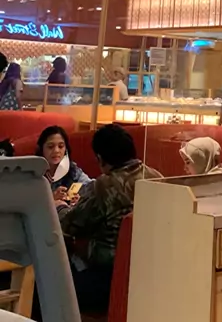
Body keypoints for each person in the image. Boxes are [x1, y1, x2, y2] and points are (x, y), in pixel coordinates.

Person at [55, 124, 162, 316]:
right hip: (149, 276)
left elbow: (70, 225)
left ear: (100, 158)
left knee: (46, 285)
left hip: (107, 279)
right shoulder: (156, 178)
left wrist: (59, 206)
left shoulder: (104, 186)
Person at [36, 126, 90, 201]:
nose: (56, 150)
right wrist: (51, 199)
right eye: (50, 147)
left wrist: (80, 198)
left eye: (61, 146)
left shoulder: (73, 170)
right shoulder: (34, 174)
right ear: (41, 149)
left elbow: (91, 187)